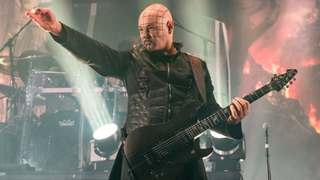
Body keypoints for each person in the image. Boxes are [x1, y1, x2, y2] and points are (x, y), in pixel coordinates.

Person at [26, 3, 250, 180]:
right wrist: (57, 29)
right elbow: (94, 52)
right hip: (141, 159)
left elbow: (209, 112)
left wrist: (231, 120)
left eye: (151, 29)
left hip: (184, 160)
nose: (145, 35)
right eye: (142, 30)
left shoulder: (197, 66)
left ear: (170, 27)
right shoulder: (131, 60)